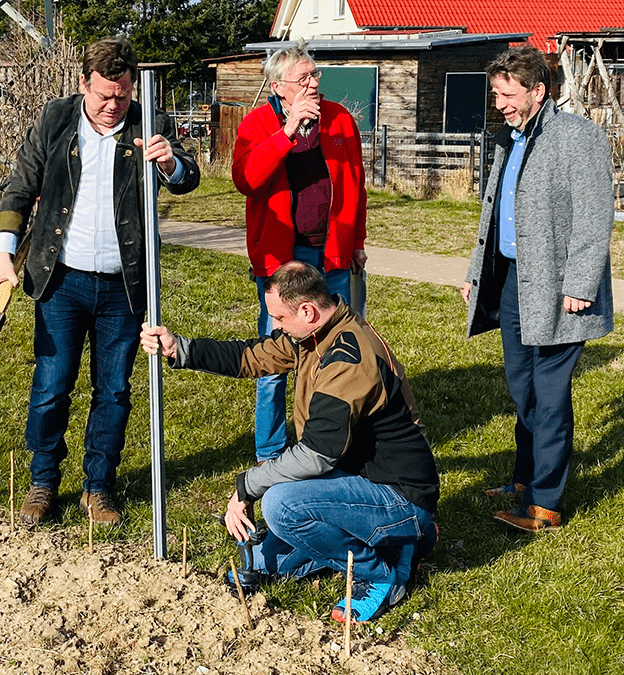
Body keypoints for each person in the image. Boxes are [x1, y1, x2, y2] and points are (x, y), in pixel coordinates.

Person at [140, 261, 439, 622]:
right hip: (355, 478)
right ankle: (406, 544)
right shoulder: (315, 333)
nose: (275, 326)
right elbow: (251, 356)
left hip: (398, 493)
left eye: (279, 318)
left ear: (308, 311)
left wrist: (246, 487)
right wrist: (180, 349)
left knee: (283, 506)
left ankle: (378, 575)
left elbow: (316, 454)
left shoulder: (347, 357)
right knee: (272, 561)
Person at [0, 37, 200, 527]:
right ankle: (43, 482)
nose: (114, 105)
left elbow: (187, 178)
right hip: (61, 281)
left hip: (125, 287)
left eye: (123, 95)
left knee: (114, 390)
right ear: (84, 84)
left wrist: (169, 162)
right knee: (51, 386)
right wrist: (5, 256)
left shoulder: (150, 123)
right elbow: (20, 186)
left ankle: (98, 486)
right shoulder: (56, 120)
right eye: (105, 94)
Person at [462, 46, 615, 532]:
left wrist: (580, 284)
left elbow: (595, 218)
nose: (500, 104)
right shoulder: (510, 139)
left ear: (538, 91)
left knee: (548, 395)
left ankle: (545, 505)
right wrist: (475, 273)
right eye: (496, 95)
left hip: (561, 289)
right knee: (522, 388)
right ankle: (524, 480)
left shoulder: (578, 138)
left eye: (508, 95)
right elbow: (493, 211)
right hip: (513, 282)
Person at [231, 42, 368, 464]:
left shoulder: (340, 119)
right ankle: (270, 452)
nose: (313, 84)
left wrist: (357, 241)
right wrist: (287, 131)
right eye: (303, 78)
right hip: (281, 259)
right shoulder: (257, 124)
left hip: (331, 255)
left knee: (339, 351)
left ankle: (330, 445)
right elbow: (246, 180)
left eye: (315, 75)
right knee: (274, 355)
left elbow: (356, 185)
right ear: (278, 87)